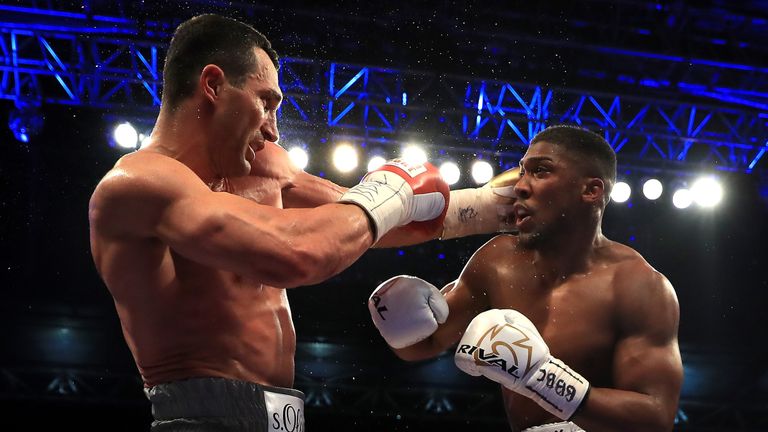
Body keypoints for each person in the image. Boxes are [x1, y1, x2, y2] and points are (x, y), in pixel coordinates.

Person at [88, 14, 516, 431]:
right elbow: (293, 255)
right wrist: (391, 194)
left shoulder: (263, 165)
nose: (274, 130)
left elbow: (373, 216)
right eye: (266, 102)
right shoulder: (138, 185)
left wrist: (498, 207)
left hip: (284, 415)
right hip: (201, 417)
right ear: (213, 85)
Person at [368, 125, 683, 432]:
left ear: (591, 190)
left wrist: (545, 379)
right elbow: (424, 343)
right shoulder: (498, 262)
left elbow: (656, 417)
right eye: (522, 171)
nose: (519, 185)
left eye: (541, 171)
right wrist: (399, 321)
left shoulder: (638, 286)